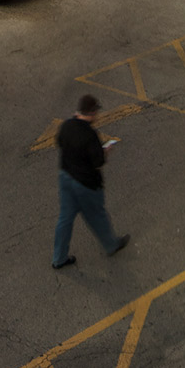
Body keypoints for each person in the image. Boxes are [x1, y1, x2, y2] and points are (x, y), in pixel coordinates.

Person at [52, 94, 129, 269]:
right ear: (92, 112)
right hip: (86, 185)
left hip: (66, 178)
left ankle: (59, 258)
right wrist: (106, 151)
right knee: (97, 216)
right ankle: (111, 245)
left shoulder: (66, 125)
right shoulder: (90, 134)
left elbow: (59, 142)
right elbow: (98, 162)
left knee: (65, 219)